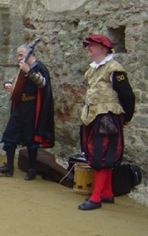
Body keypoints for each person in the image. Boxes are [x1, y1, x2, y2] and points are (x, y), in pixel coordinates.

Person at [77, 34, 135, 211]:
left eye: (92, 46)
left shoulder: (114, 70)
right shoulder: (93, 69)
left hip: (107, 119)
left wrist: (126, 117)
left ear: (103, 48)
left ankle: (96, 198)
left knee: (102, 155)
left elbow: (127, 96)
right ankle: (107, 193)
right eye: (88, 46)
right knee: (97, 154)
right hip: (94, 117)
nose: (88, 48)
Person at [0, 43, 55, 180]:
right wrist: (8, 85)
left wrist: (29, 71)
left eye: (21, 55)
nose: (18, 58)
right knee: (10, 135)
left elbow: (43, 83)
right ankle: (9, 167)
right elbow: (17, 81)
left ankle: (32, 169)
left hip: (32, 107)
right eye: (18, 55)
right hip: (20, 106)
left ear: (29, 54)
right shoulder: (22, 67)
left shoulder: (39, 67)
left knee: (31, 138)